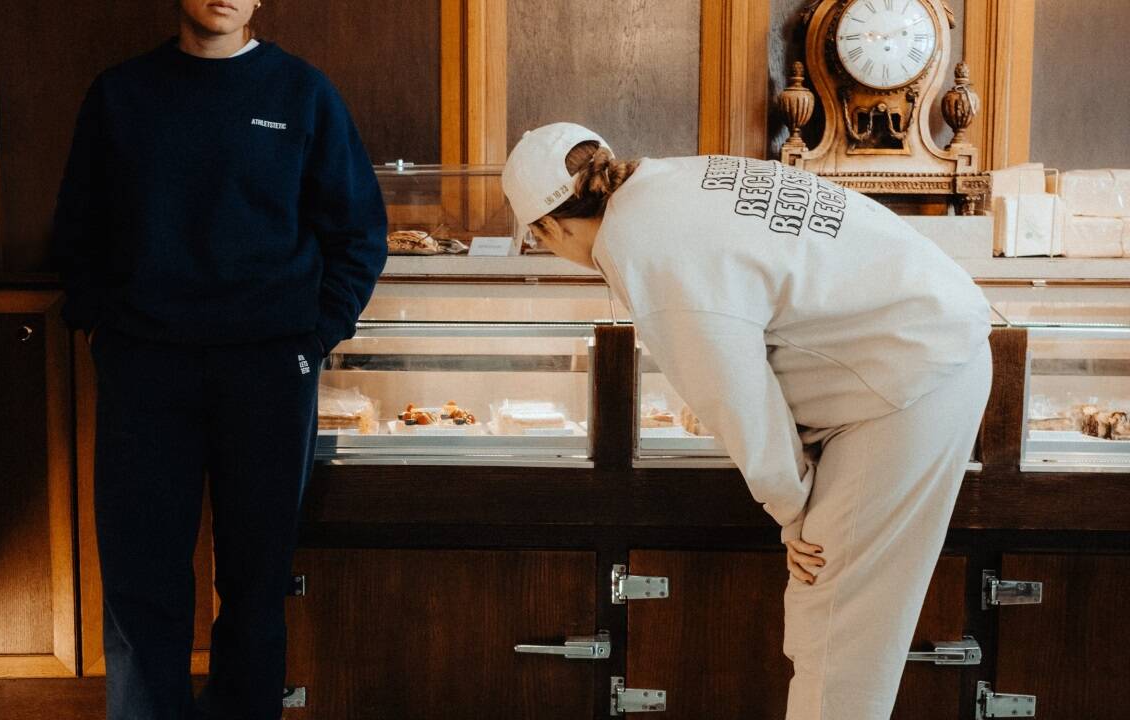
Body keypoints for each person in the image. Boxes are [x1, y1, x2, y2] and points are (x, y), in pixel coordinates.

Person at [501, 123, 991, 720]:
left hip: (910, 378)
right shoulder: (665, 178)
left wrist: (793, 511)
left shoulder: (642, 243)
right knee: (834, 623)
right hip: (910, 356)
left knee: (839, 629)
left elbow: (735, 397)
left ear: (546, 226)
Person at [49, 1, 387, 718]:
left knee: (256, 585)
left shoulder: (303, 93)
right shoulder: (121, 93)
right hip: (146, 368)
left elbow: (358, 232)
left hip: (267, 371)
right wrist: (103, 329)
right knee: (143, 585)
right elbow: (77, 229)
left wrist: (312, 337)